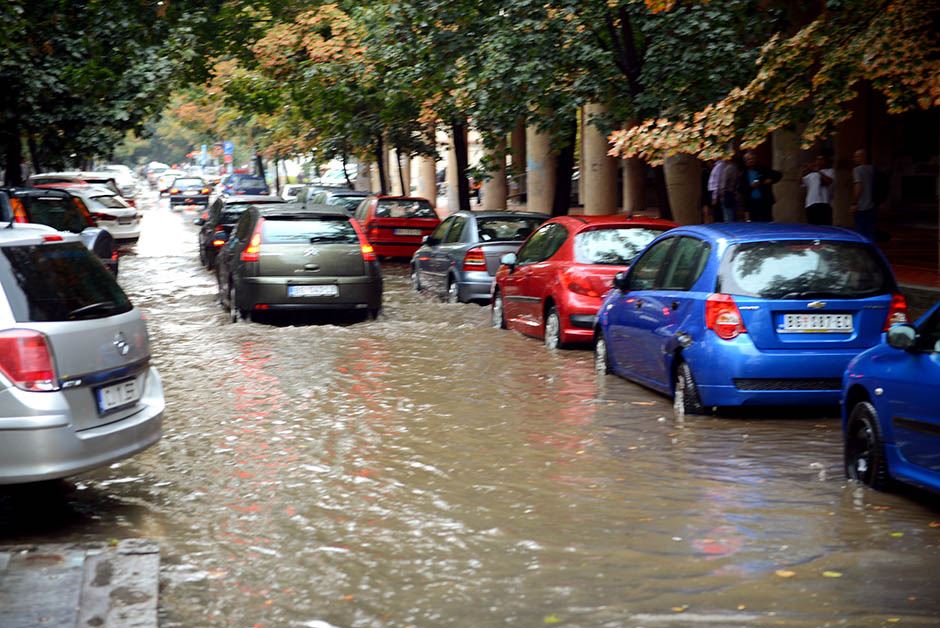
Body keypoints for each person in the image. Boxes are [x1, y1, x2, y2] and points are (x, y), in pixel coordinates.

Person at [742, 151, 781, 222]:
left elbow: (778, 175)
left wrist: (770, 180)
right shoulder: (743, 173)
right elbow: (741, 188)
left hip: (765, 201)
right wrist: (751, 186)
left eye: (752, 159)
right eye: (748, 159)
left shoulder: (763, 169)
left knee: (767, 221)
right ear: (745, 161)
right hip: (752, 203)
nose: (751, 161)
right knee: (754, 222)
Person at [802, 154, 834, 225]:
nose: (818, 162)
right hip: (811, 204)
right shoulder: (811, 174)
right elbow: (801, 182)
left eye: (821, 160)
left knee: (825, 226)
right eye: (817, 160)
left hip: (824, 203)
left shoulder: (830, 171)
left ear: (826, 161)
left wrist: (818, 171)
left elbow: (827, 182)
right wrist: (805, 170)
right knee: (812, 226)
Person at [852, 148, 876, 240]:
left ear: (863, 157)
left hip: (861, 205)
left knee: (860, 231)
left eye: (857, 156)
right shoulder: (873, 169)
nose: (854, 158)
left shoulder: (857, 170)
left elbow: (859, 186)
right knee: (870, 230)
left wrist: (854, 202)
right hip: (872, 204)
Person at [717, 157, 742, 222]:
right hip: (733, 193)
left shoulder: (727, 169)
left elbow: (724, 183)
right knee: (733, 215)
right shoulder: (736, 168)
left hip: (727, 194)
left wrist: (721, 194)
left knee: (727, 216)